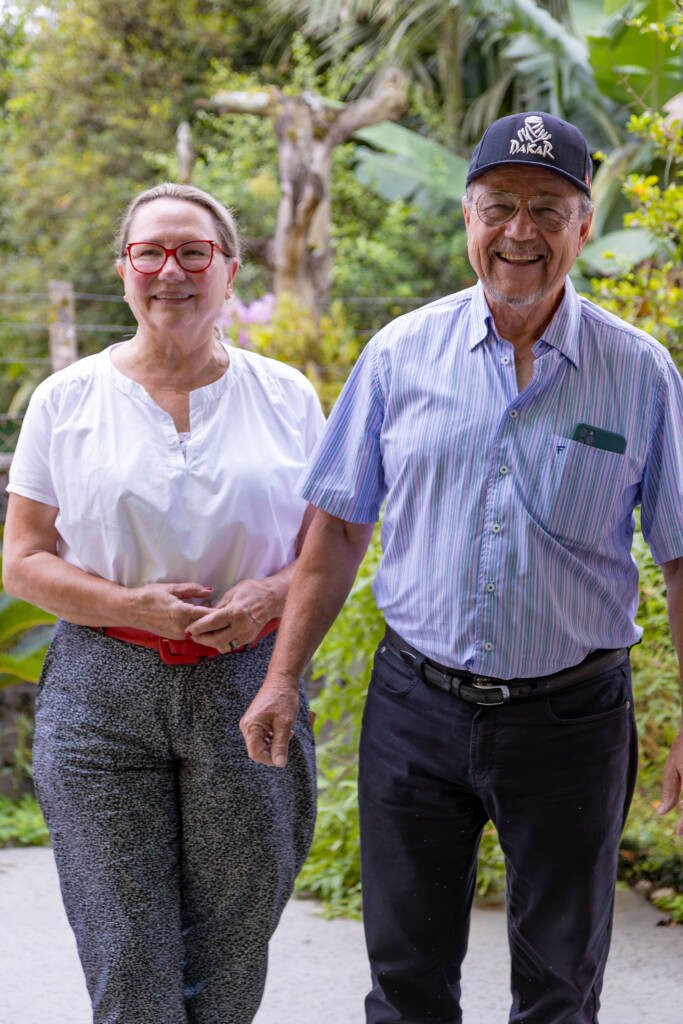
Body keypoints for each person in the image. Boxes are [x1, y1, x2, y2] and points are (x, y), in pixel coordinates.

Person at [240, 112, 683, 1023]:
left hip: (572, 720)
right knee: (405, 980)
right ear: (467, 215)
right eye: (500, 207)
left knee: (561, 984)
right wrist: (282, 676)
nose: (520, 232)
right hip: (416, 709)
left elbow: (679, 558)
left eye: (548, 210)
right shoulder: (400, 354)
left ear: (583, 224)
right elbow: (334, 532)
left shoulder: (639, 374)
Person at [2, 182, 324, 1024]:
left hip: (248, 681)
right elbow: (23, 560)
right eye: (150, 251)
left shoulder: (287, 395)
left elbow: (329, 553)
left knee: (230, 943)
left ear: (229, 270)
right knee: (127, 949)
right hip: (103, 690)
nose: (170, 270)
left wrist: (265, 596)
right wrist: (128, 606)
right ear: (123, 271)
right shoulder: (65, 399)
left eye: (193, 251)